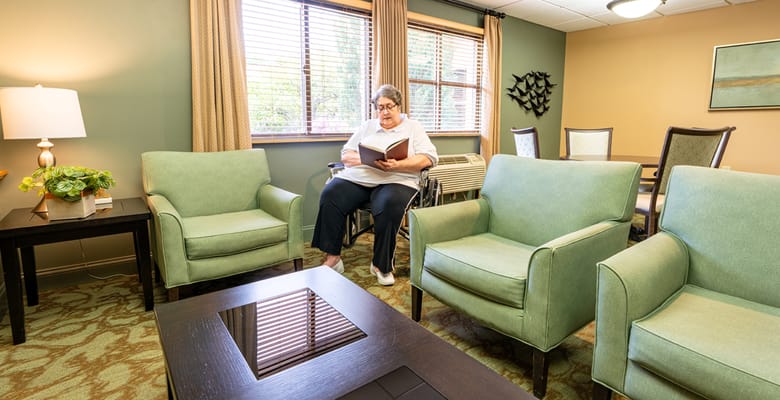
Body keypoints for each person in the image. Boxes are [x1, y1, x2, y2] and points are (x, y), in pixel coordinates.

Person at [311, 84, 438, 285]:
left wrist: (398, 164)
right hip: (361, 177)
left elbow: (429, 158)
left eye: (389, 106)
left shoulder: (413, 127)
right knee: (331, 194)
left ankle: (381, 265)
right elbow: (346, 154)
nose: (385, 112)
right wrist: (368, 159)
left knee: (388, 204)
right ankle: (333, 258)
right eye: (380, 107)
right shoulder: (367, 126)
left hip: (397, 179)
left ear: (399, 106)